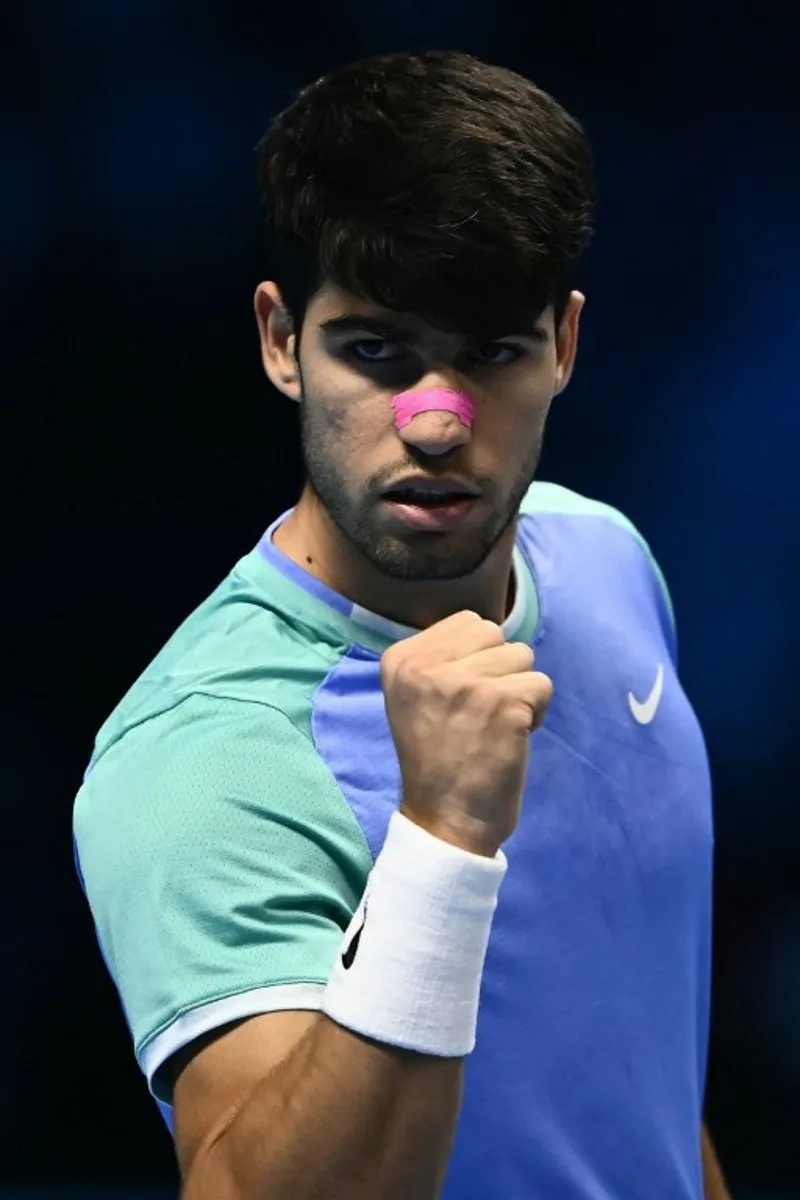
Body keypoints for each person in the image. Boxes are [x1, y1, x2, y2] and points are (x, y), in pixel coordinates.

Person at [73, 49, 731, 1200]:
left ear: (563, 346)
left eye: (489, 352)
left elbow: (636, 1081)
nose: (433, 423)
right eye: (375, 351)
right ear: (282, 341)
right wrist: (439, 841)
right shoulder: (200, 756)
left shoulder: (606, 559)